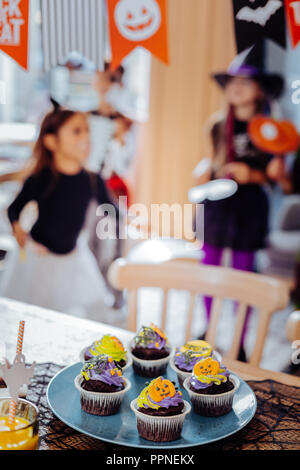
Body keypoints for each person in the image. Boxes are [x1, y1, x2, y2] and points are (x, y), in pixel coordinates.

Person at [195, 44, 284, 361]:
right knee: (209, 267)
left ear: (260, 90)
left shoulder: (272, 131)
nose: (237, 87)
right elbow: (214, 162)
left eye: (245, 82)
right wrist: (206, 170)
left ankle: (240, 340)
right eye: (232, 82)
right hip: (218, 203)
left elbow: (277, 178)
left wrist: (256, 175)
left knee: (243, 275)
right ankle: (208, 328)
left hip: (249, 210)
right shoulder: (219, 125)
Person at [0, 100, 119, 315]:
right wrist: (17, 227)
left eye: (87, 131)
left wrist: (132, 219)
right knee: (32, 315)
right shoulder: (40, 179)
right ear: (51, 141)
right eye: (76, 131)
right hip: (40, 258)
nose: (85, 137)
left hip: (74, 256)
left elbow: (111, 207)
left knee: (78, 313)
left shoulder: (92, 180)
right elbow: (14, 208)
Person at [87, 63, 136, 309]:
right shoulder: (83, 118)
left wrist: (120, 139)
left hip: (114, 190)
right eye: (102, 79)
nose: (106, 85)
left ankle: (116, 294)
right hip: (86, 188)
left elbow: (126, 162)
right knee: (89, 241)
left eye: (112, 80)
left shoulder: (126, 122)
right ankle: (93, 292)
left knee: (115, 242)